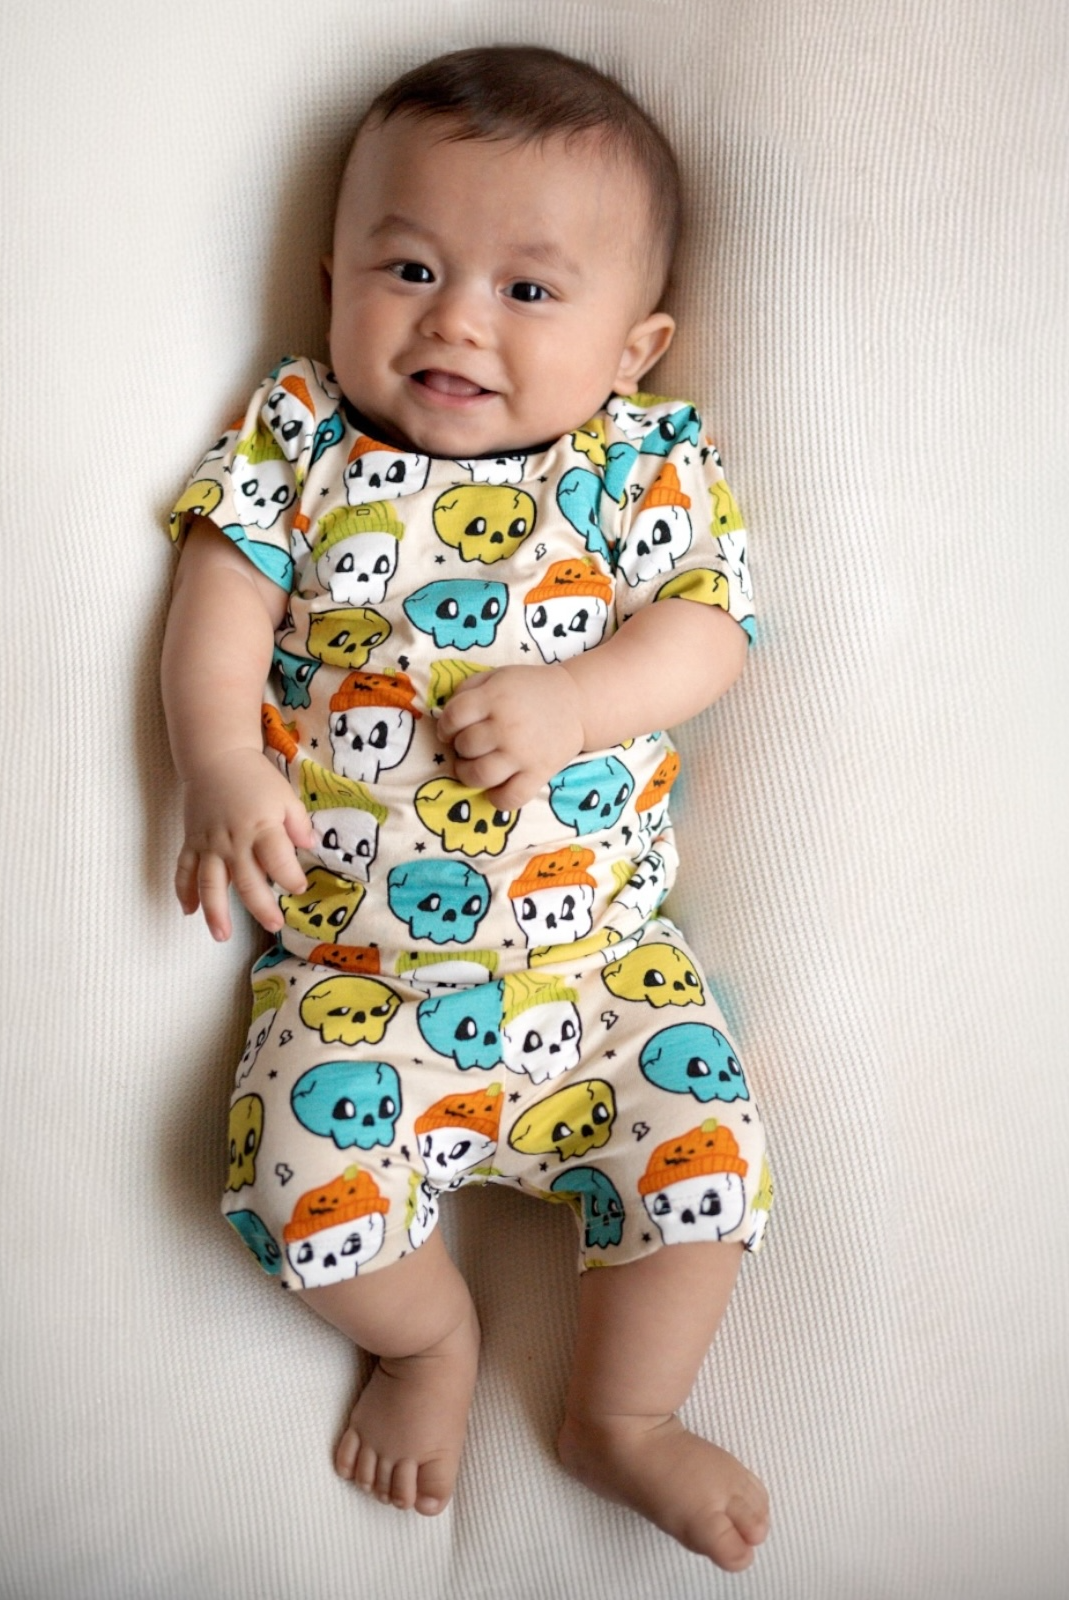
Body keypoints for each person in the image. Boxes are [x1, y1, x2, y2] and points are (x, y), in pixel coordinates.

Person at [162, 44, 772, 1571]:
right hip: (355, 986)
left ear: (637, 347)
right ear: (333, 275)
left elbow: (711, 632)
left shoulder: (642, 461)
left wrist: (580, 703)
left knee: (707, 1162)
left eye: (529, 291)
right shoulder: (302, 434)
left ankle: (621, 1417)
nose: (455, 319)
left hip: (607, 978)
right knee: (302, 1192)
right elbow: (219, 601)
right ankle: (430, 1344)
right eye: (412, 266)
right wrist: (220, 762)